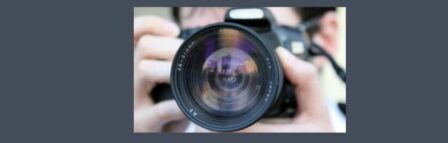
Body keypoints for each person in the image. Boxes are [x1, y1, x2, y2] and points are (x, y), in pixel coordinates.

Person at [133, 7, 342, 132]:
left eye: (251, 42)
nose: (221, 74)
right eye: (205, 43)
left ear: (324, 37)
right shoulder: (166, 128)